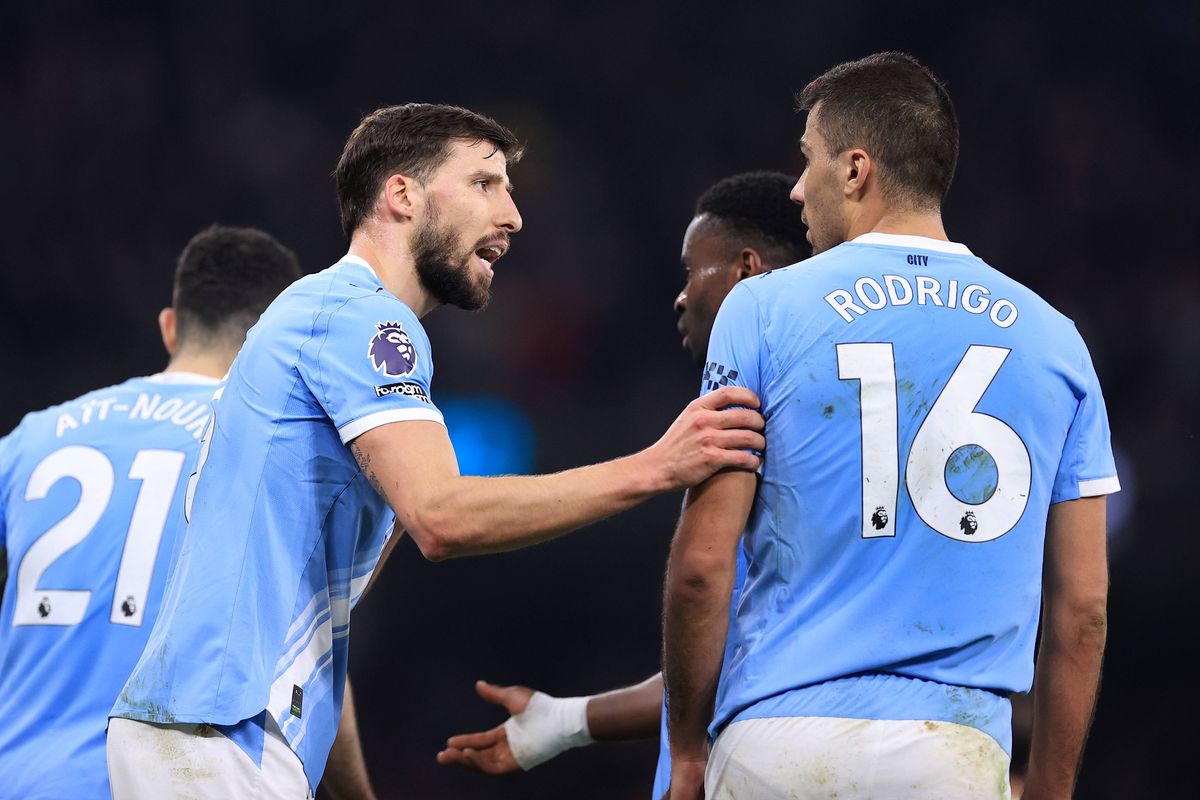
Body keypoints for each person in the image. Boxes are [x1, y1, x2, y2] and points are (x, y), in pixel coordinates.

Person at [107, 103, 765, 798]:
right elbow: (443, 519)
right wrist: (655, 466)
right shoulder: (361, 315)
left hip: (219, 726)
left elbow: (329, 620)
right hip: (219, 727)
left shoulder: (330, 320)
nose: (512, 215)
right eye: (485, 183)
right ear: (401, 196)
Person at [662, 51, 1118, 800]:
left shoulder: (762, 308)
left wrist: (685, 751)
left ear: (856, 169)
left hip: (777, 742)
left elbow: (704, 564)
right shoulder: (1055, 339)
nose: (798, 188)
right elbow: (1084, 609)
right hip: (954, 752)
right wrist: (1051, 786)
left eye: (807, 160)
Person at [434, 171, 808, 799]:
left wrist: (687, 752)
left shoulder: (748, 420)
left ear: (749, 272)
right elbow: (744, 663)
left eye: (693, 272)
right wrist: (568, 722)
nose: (681, 297)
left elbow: (699, 574)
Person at [0, 227, 374, 799]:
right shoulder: (273, 455)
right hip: (162, 783)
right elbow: (309, 654)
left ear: (170, 326)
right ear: (278, 343)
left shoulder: (29, 441)